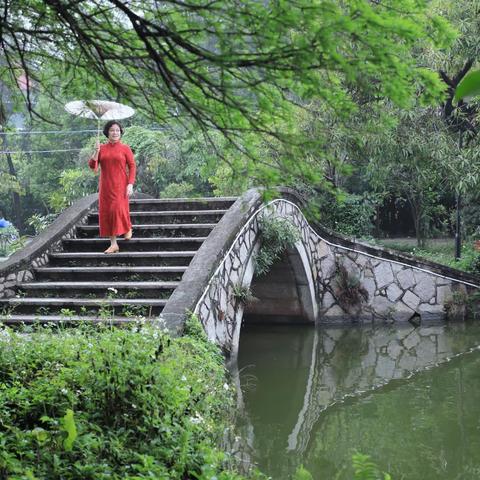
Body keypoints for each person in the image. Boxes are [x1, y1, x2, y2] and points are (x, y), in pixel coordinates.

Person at [88, 120, 136, 254]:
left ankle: (127, 227)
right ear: (107, 132)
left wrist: (130, 183)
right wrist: (96, 152)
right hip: (106, 186)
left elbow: (132, 166)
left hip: (121, 185)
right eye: (112, 130)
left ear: (120, 132)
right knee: (108, 213)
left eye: (117, 130)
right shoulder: (102, 148)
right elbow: (93, 166)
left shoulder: (125, 148)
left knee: (118, 209)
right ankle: (114, 244)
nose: (115, 133)